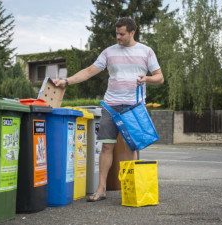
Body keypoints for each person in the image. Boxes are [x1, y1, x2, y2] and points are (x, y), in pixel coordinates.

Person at [54, 17, 164, 202]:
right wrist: (66, 81)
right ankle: (101, 189)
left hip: (134, 107)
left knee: (131, 148)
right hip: (111, 105)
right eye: (116, 34)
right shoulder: (109, 52)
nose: (118, 37)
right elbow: (89, 71)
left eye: (122, 34)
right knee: (106, 146)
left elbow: (160, 78)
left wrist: (147, 79)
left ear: (132, 32)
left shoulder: (146, 51)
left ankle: (132, 189)